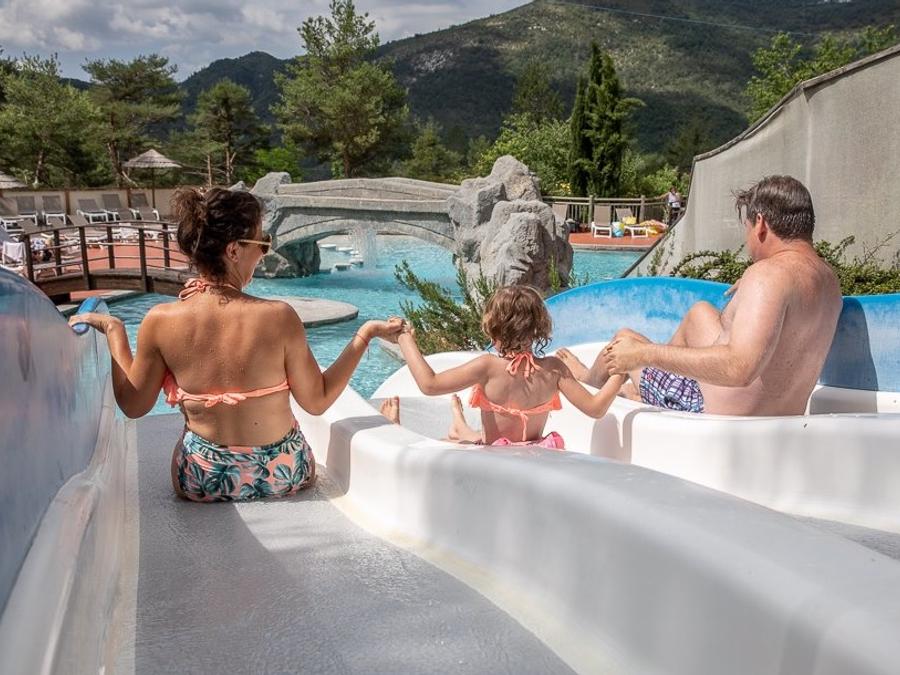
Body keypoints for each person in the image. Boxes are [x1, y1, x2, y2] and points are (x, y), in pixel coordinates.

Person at [69, 187, 403, 502]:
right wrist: (365, 335)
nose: (263, 253)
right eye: (262, 243)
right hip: (285, 473)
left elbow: (134, 405)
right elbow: (317, 401)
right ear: (233, 250)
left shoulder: (160, 320)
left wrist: (114, 330)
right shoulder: (279, 317)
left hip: (201, 480)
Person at [559, 175, 843, 416]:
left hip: (713, 416)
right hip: (778, 419)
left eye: (747, 230)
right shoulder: (829, 282)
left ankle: (589, 381)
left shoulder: (767, 276)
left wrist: (643, 354)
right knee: (700, 313)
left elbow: (740, 368)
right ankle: (638, 391)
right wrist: (754, 283)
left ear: (761, 224)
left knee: (625, 340)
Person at [380, 285, 626, 449]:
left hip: (496, 462)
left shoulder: (487, 366)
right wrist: (620, 372)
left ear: (494, 329)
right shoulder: (554, 369)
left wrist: (405, 339)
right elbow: (596, 408)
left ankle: (403, 432)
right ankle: (461, 428)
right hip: (537, 456)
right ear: (538, 328)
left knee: (442, 444)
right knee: (470, 440)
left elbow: (429, 384)